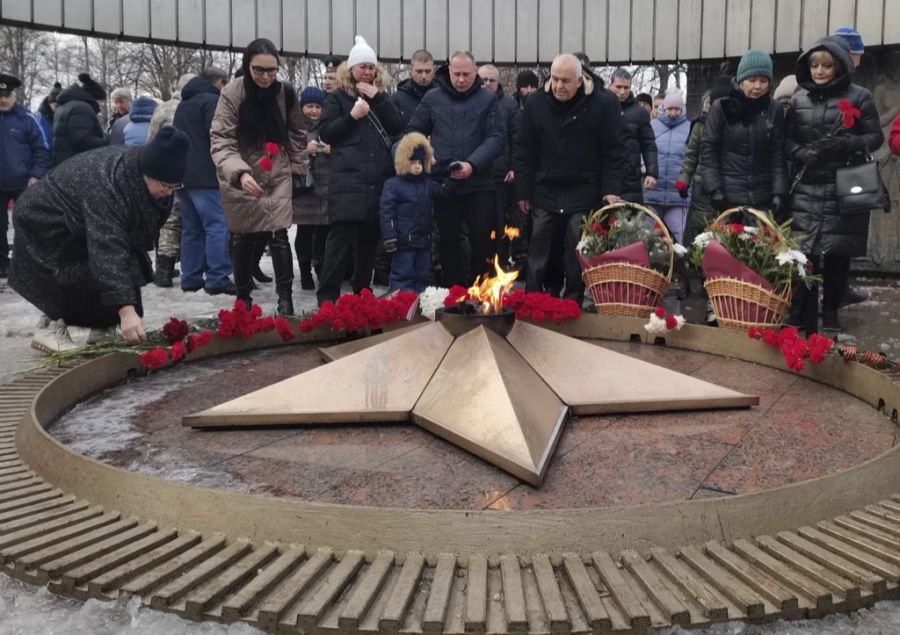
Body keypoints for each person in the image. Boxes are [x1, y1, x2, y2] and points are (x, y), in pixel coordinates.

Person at [9, 126, 190, 353]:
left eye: (174, 186)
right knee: (82, 266)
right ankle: (51, 325)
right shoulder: (108, 185)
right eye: (163, 185)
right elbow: (108, 248)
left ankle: (103, 327)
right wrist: (126, 311)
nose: (168, 191)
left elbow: (127, 244)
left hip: (80, 217)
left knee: (126, 262)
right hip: (43, 219)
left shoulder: (146, 175)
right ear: (147, 172)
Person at [786, 37, 883, 333]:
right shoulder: (798, 98)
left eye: (826, 65)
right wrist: (799, 152)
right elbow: (787, 139)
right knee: (805, 253)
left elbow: (875, 137)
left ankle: (830, 311)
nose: (819, 71)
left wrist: (849, 143)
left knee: (837, 252)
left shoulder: (860, 96)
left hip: (843, 186)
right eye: (814, 65)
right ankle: (804, 312)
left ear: (839, 66)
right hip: (807, 186)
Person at [514, 53, 625, 303]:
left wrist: (610, 189)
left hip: (584, 187)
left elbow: (613, 151)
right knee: (539, 244)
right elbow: (524, 150)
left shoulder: (603, 103)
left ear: (579, 80)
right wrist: (523, 190)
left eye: (565, 81)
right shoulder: (535, 103)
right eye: (554, 79)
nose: (558, 86)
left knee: (577, 245)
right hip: (545, 186)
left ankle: (573, 300)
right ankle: (533, 298)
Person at [210, 38, 307, 316]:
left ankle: (285, 301)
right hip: (242, 174)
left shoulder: (285, 92)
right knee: (244, 237)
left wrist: (298, 170)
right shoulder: (232, 93)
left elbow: (297, 133)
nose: (266, 77)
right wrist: (239, 173)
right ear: (247, 66)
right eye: (259, 70)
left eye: (272, 70)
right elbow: (221, 140)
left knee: (279, 235)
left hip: (277, 173)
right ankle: (243, 300)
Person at [316, 36, 403, 305]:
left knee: (368, 244)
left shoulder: (382, 96)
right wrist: (351, 117)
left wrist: (379, 100)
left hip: (377, 182)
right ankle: (327, 298)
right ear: (351, 69)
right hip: (347, 182)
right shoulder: (337, 98)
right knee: (339, 243)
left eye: (370, 67)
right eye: (361, 66)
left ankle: (362, 296)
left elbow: (398, 126)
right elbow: (327, 133)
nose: (367, 71)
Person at [407, 50, 505, 287]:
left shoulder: (488, 99)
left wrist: (472, 164)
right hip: (445, 183)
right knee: (448, 242)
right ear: (448, 70)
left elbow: (497, 139)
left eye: (466, 74)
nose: (461, 80)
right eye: (456, 74)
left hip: (479, 184)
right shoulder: (432, 98)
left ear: (475, 72)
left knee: (482, 241)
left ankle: (480, 292)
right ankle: (453, 293)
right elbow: (412, 132)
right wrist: (424, 150)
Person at [700, 49, 787, 220]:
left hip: (762, 198)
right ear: (741, 80)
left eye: (763, 81)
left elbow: (777, 154)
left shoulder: (774, 109)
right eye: (752, 80)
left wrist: (779, 192)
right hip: (728, 198)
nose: (757, 86)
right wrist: (714, 189)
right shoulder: (721, 107)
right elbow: (709, 150)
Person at [173, 67, 235, 296]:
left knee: (191, 228)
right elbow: (218, 135)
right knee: (217, 225)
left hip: (182, 174)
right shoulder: (212, 101)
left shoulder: (184, 104)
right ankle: (218, 277)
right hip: (206, 175)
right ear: (219, 83)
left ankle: (190, 277)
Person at [380, 133, 449, 292]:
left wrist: (451, 178)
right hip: (403, 242)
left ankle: (418, 308)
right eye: (412, 162)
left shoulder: (427, 182)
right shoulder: (393, 185)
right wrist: (389, 236)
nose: (417, 166)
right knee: (402, 275)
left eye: (420, 162)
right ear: (403, 162)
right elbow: (386, 212)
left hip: (423, 241)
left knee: (422, 275)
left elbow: (442, 192)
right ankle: (401, 307)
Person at [0, 73, 52, 279]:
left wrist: (35, 175)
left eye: (7, 95)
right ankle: (2, 263)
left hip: (23, 183)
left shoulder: (27, 119)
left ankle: (28, 264)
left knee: (27, 224)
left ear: (14, 95)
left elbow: (43, 150)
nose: (3, 99)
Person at [148, 73, 196, 287]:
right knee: (191, 221)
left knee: (170, 220)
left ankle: (163, 271)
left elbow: (150, 140)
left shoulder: (162, 108)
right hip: (190, 171)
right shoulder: (194, 107)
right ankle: (192, 267)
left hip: (163, 170)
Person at [677, 76, 732, 248]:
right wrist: (684, 179)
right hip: (702, 185)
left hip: (729, 183)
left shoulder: (736, 125)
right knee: (700, 224)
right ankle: (696, 260)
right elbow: (692, 154)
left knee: (725, 225)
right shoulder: (700, 126)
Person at [478, 64, 523, 267]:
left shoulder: (509, 105)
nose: (487, 84)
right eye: (483, 80)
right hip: (475, 174)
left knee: (499, 223)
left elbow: (518, 139)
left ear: (498, 83)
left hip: (500, 175)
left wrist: (514, 167)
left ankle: (500, 263)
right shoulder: (470, 102)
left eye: (491, 80)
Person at [291, 86, 331, 290]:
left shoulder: (328, 126)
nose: (314, 111)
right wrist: (305, 151)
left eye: (318, 106)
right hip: (304, 189)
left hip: (325, 187)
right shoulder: (295, 128)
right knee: (305, 231)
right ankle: (305, 271)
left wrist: (331, 149)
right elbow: (287, 155)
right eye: (309, 106)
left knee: (323, 232)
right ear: (301, 107)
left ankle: (321, 267)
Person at [645, 89, 692, 243]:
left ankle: (678, 266)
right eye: (670, 109)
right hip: (652, 193)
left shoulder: (690, 128)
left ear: (682, 109)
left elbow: (693, 157)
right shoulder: (651, 126)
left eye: (677, 109)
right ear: (663, 108)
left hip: (678, 195)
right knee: (647, 238)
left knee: (679, 238)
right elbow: (641, 150)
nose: (673, 113)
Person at [609, 68, 658, 204]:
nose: (622, 92)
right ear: (610, 85)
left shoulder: (640, 113)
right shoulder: (600, 108)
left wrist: (651, 172)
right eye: (618, 87)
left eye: (626, 87)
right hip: (603, 178)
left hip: (630, 178)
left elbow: (649, 145)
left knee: (631, 223)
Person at [52, 73, 107, 166]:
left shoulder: (65, 106)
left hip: (63, 162)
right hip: (76, 165)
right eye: (100, 101)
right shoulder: (81, 108)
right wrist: (108, 142)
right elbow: (81, 140)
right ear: (93, 98)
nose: (100, 105)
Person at [392, 49, 435, 126]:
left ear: (434, 70)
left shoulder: (444, 96)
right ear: (411, 70)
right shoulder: (397, 99)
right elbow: (392, 133)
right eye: (419, 71)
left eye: (428, 71)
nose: (424, 76)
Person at [35, 82, 62, 150]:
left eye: (61, 105)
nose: (58, 108)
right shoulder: (40, 118)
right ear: (50, 103)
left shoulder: (64, 116)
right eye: (56, 106)